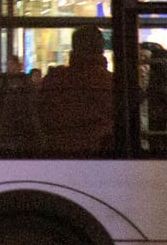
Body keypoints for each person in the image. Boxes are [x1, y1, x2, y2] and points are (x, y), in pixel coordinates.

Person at [39, 25, 114, 156]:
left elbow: (43, 116)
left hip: (58, 155)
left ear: (74, 48)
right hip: (101, 155)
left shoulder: (55, 79)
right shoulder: (110, 82)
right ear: (101, 48)